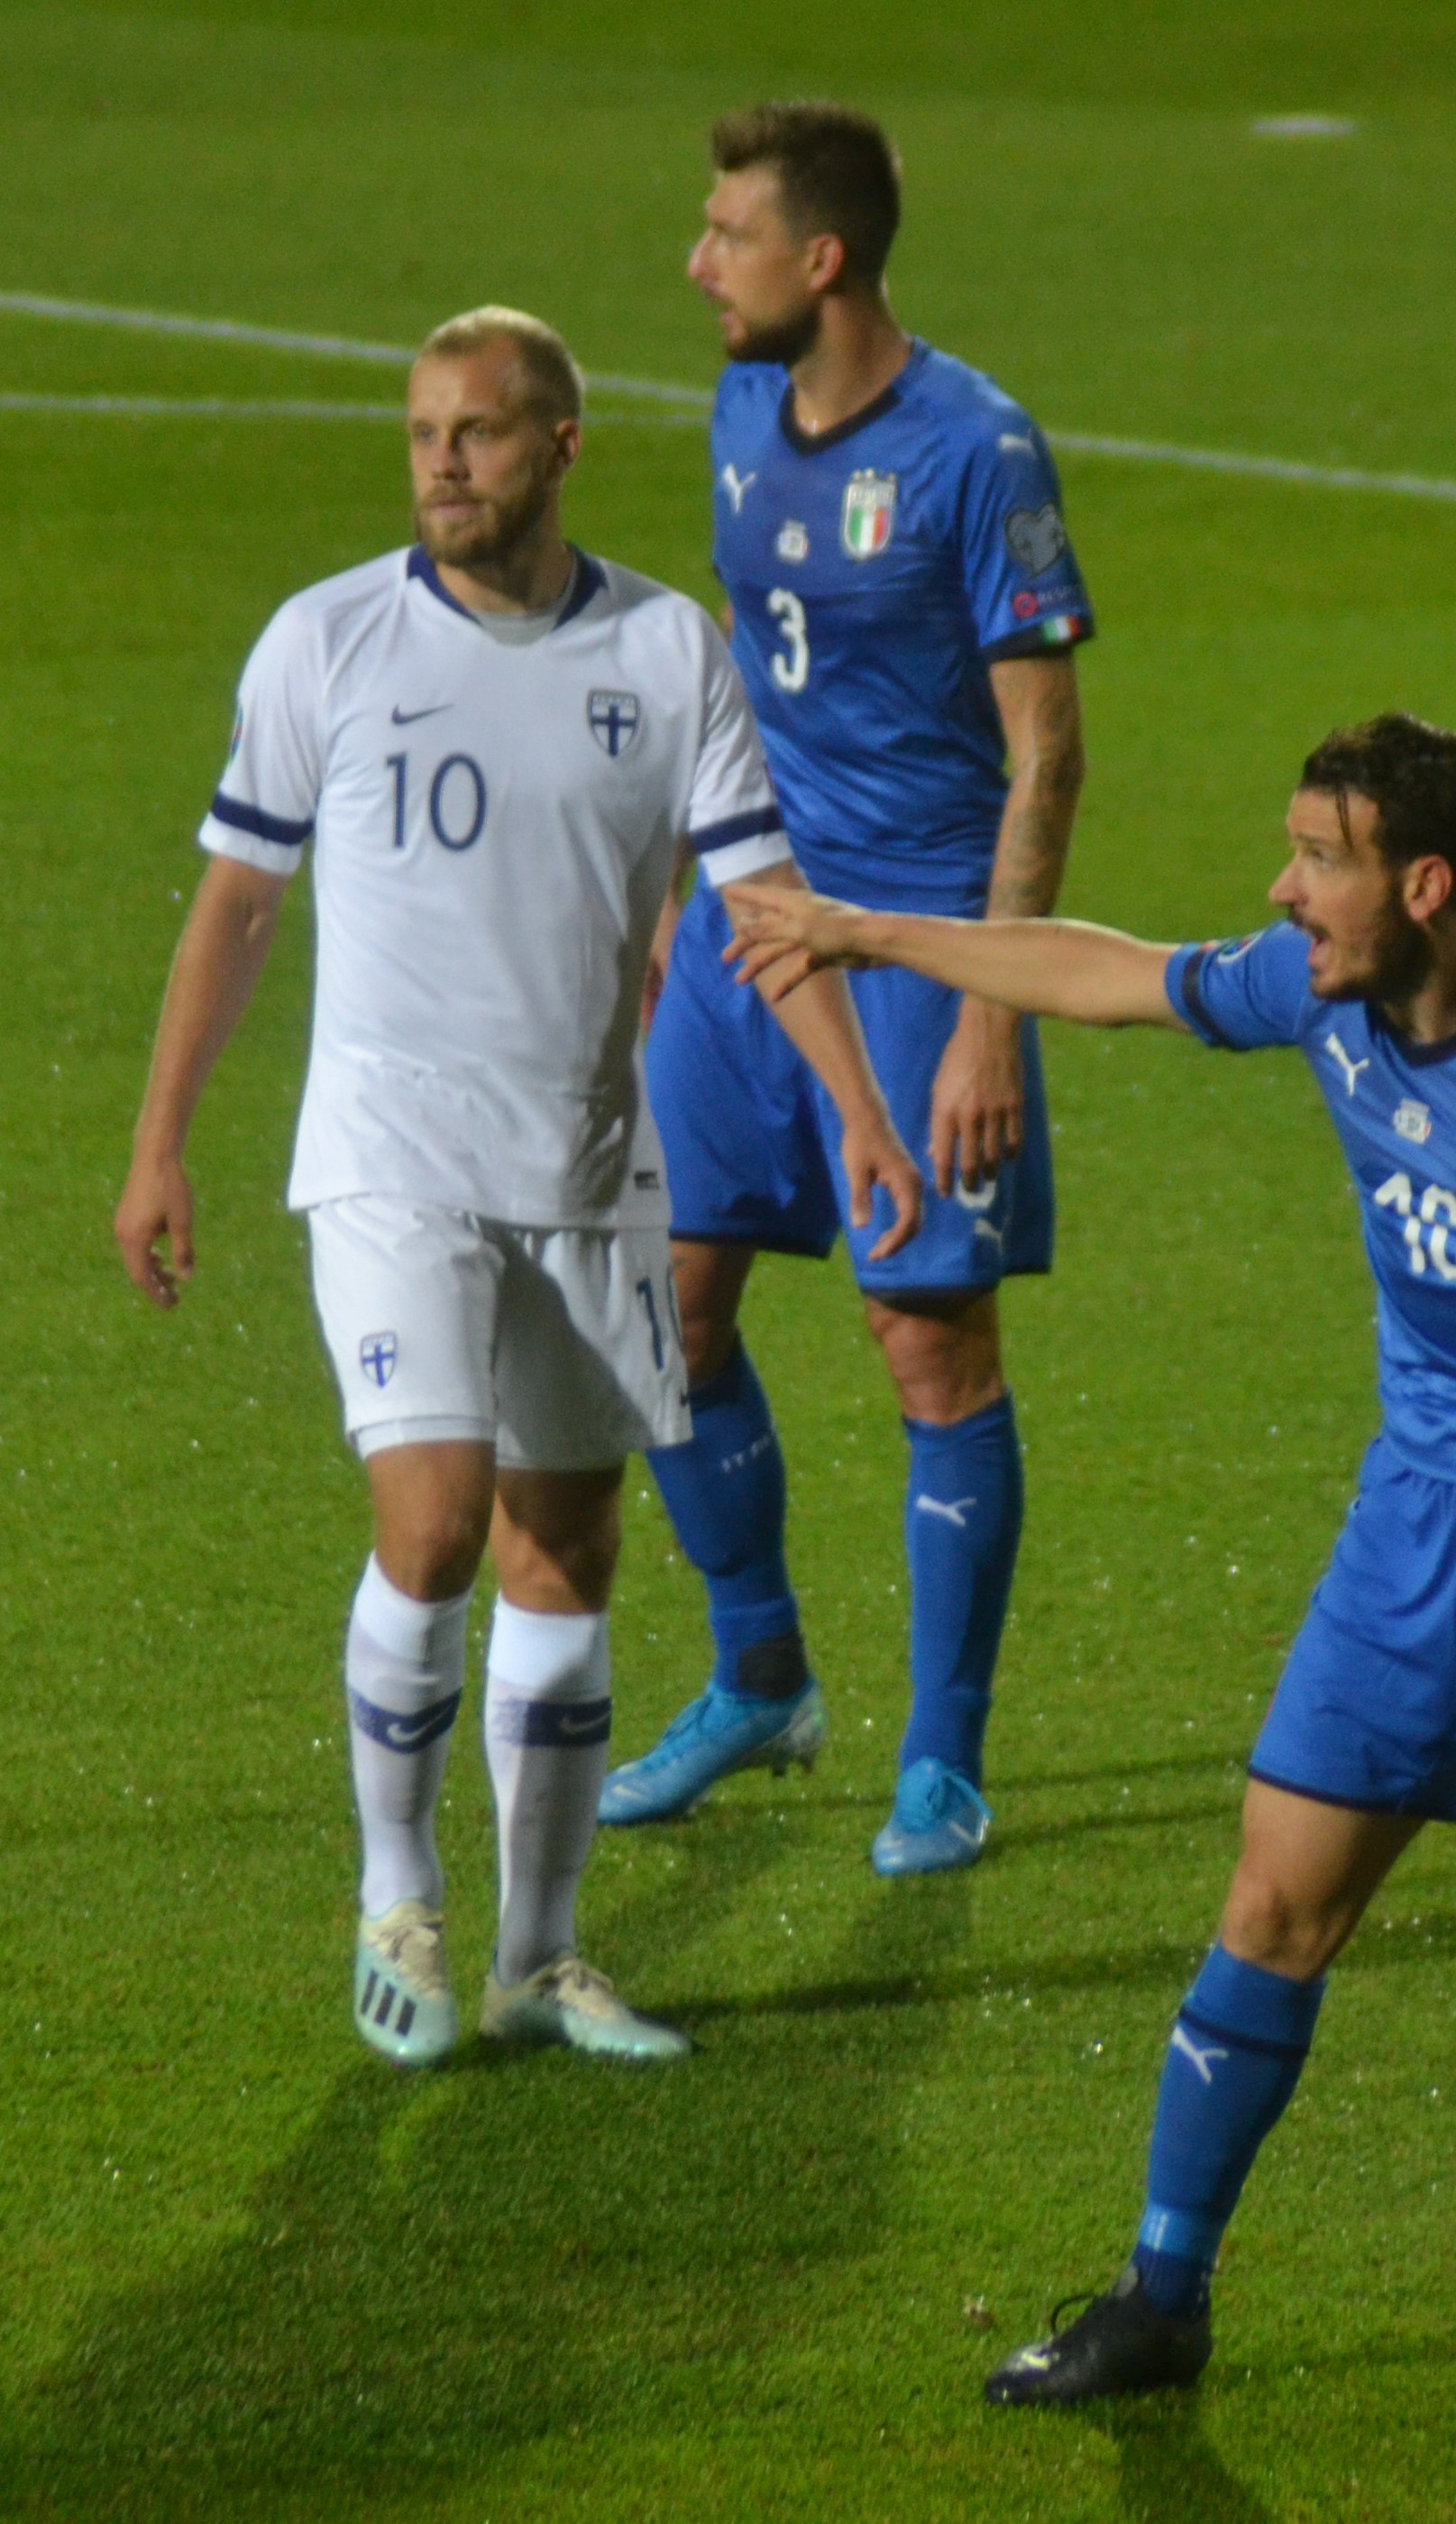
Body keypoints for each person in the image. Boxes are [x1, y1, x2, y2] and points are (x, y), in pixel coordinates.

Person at [723, 712, 1456, 2446]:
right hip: (1413, 1512)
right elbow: (1109, 976)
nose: (1284, 891)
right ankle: (1161, 2300)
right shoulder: (1320, 992)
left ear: (1424, 885)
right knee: (1275, 1899)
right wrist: (864, 933)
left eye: (1319, 859)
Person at [114, 306, 920, 2069]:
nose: (441, 464)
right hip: (390, 1158)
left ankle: (538, 1959)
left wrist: (860, 1113)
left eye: (475, 434)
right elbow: (238, 901)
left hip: (584, 1162)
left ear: (561, 446)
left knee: (570, 1549)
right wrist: (161, 1138)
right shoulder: (327, 639)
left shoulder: (668, 650)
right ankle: (397, 1899)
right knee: (435, 1523)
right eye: (422, 434)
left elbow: (762, 907)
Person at [597, 102, 1091, 1874]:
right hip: (753, 928)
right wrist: (684, 879)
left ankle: (942, 1760)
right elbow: (737, 659)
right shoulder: (742, 408)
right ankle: (761, 1675)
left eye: (726, 235)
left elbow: (1047, 756)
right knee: (663, 1304)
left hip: (920, 941)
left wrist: (990, 1017)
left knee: (926, 1337)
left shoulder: (978, 451)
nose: (696, 264)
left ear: (822, 259)